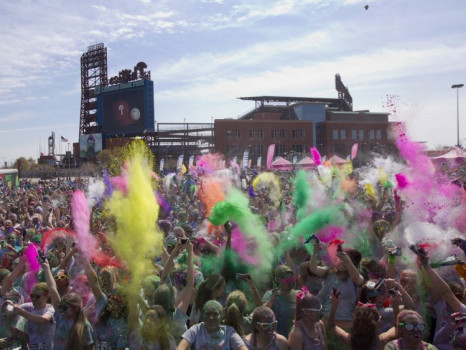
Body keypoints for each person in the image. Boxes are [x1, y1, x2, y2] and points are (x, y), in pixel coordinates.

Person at [42, 258, 94, 350]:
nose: (60, 309)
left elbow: (89, 348)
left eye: (65, 308)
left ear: (76, 308)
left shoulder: (85, 326)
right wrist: (46, 267)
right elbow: (52, 289)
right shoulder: (61, 317)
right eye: (60, 306)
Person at [327, 288, 396, 350]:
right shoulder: (381, 340)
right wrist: (396, 306)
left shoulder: (351, 341)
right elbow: (398, 326)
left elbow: (331, 325)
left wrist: (334, 305)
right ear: (377, 324)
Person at [177, 300, 247, 350]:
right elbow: (181, 347)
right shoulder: (196, 329)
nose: (211, 317)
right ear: (203, 315)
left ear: (221, 315)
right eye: (208, 313)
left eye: (215, 314)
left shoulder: (229, 332)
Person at [12, 282, 55, 349]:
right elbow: (31, 340)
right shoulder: (29, 307)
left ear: (47, 296)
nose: (33, 299)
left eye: (37, 296)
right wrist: (18, 332)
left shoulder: (50, 309)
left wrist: (21, 312)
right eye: (32, 296)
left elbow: (42, 320)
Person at [262, 265, 297, 337]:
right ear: (278, 280)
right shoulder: (270, 295)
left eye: (292, 280)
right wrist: (271, 301)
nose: (290, 283)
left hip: (295, 336)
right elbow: (262, 313)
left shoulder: (297, 294)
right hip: (278, 337)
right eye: (287, 280)